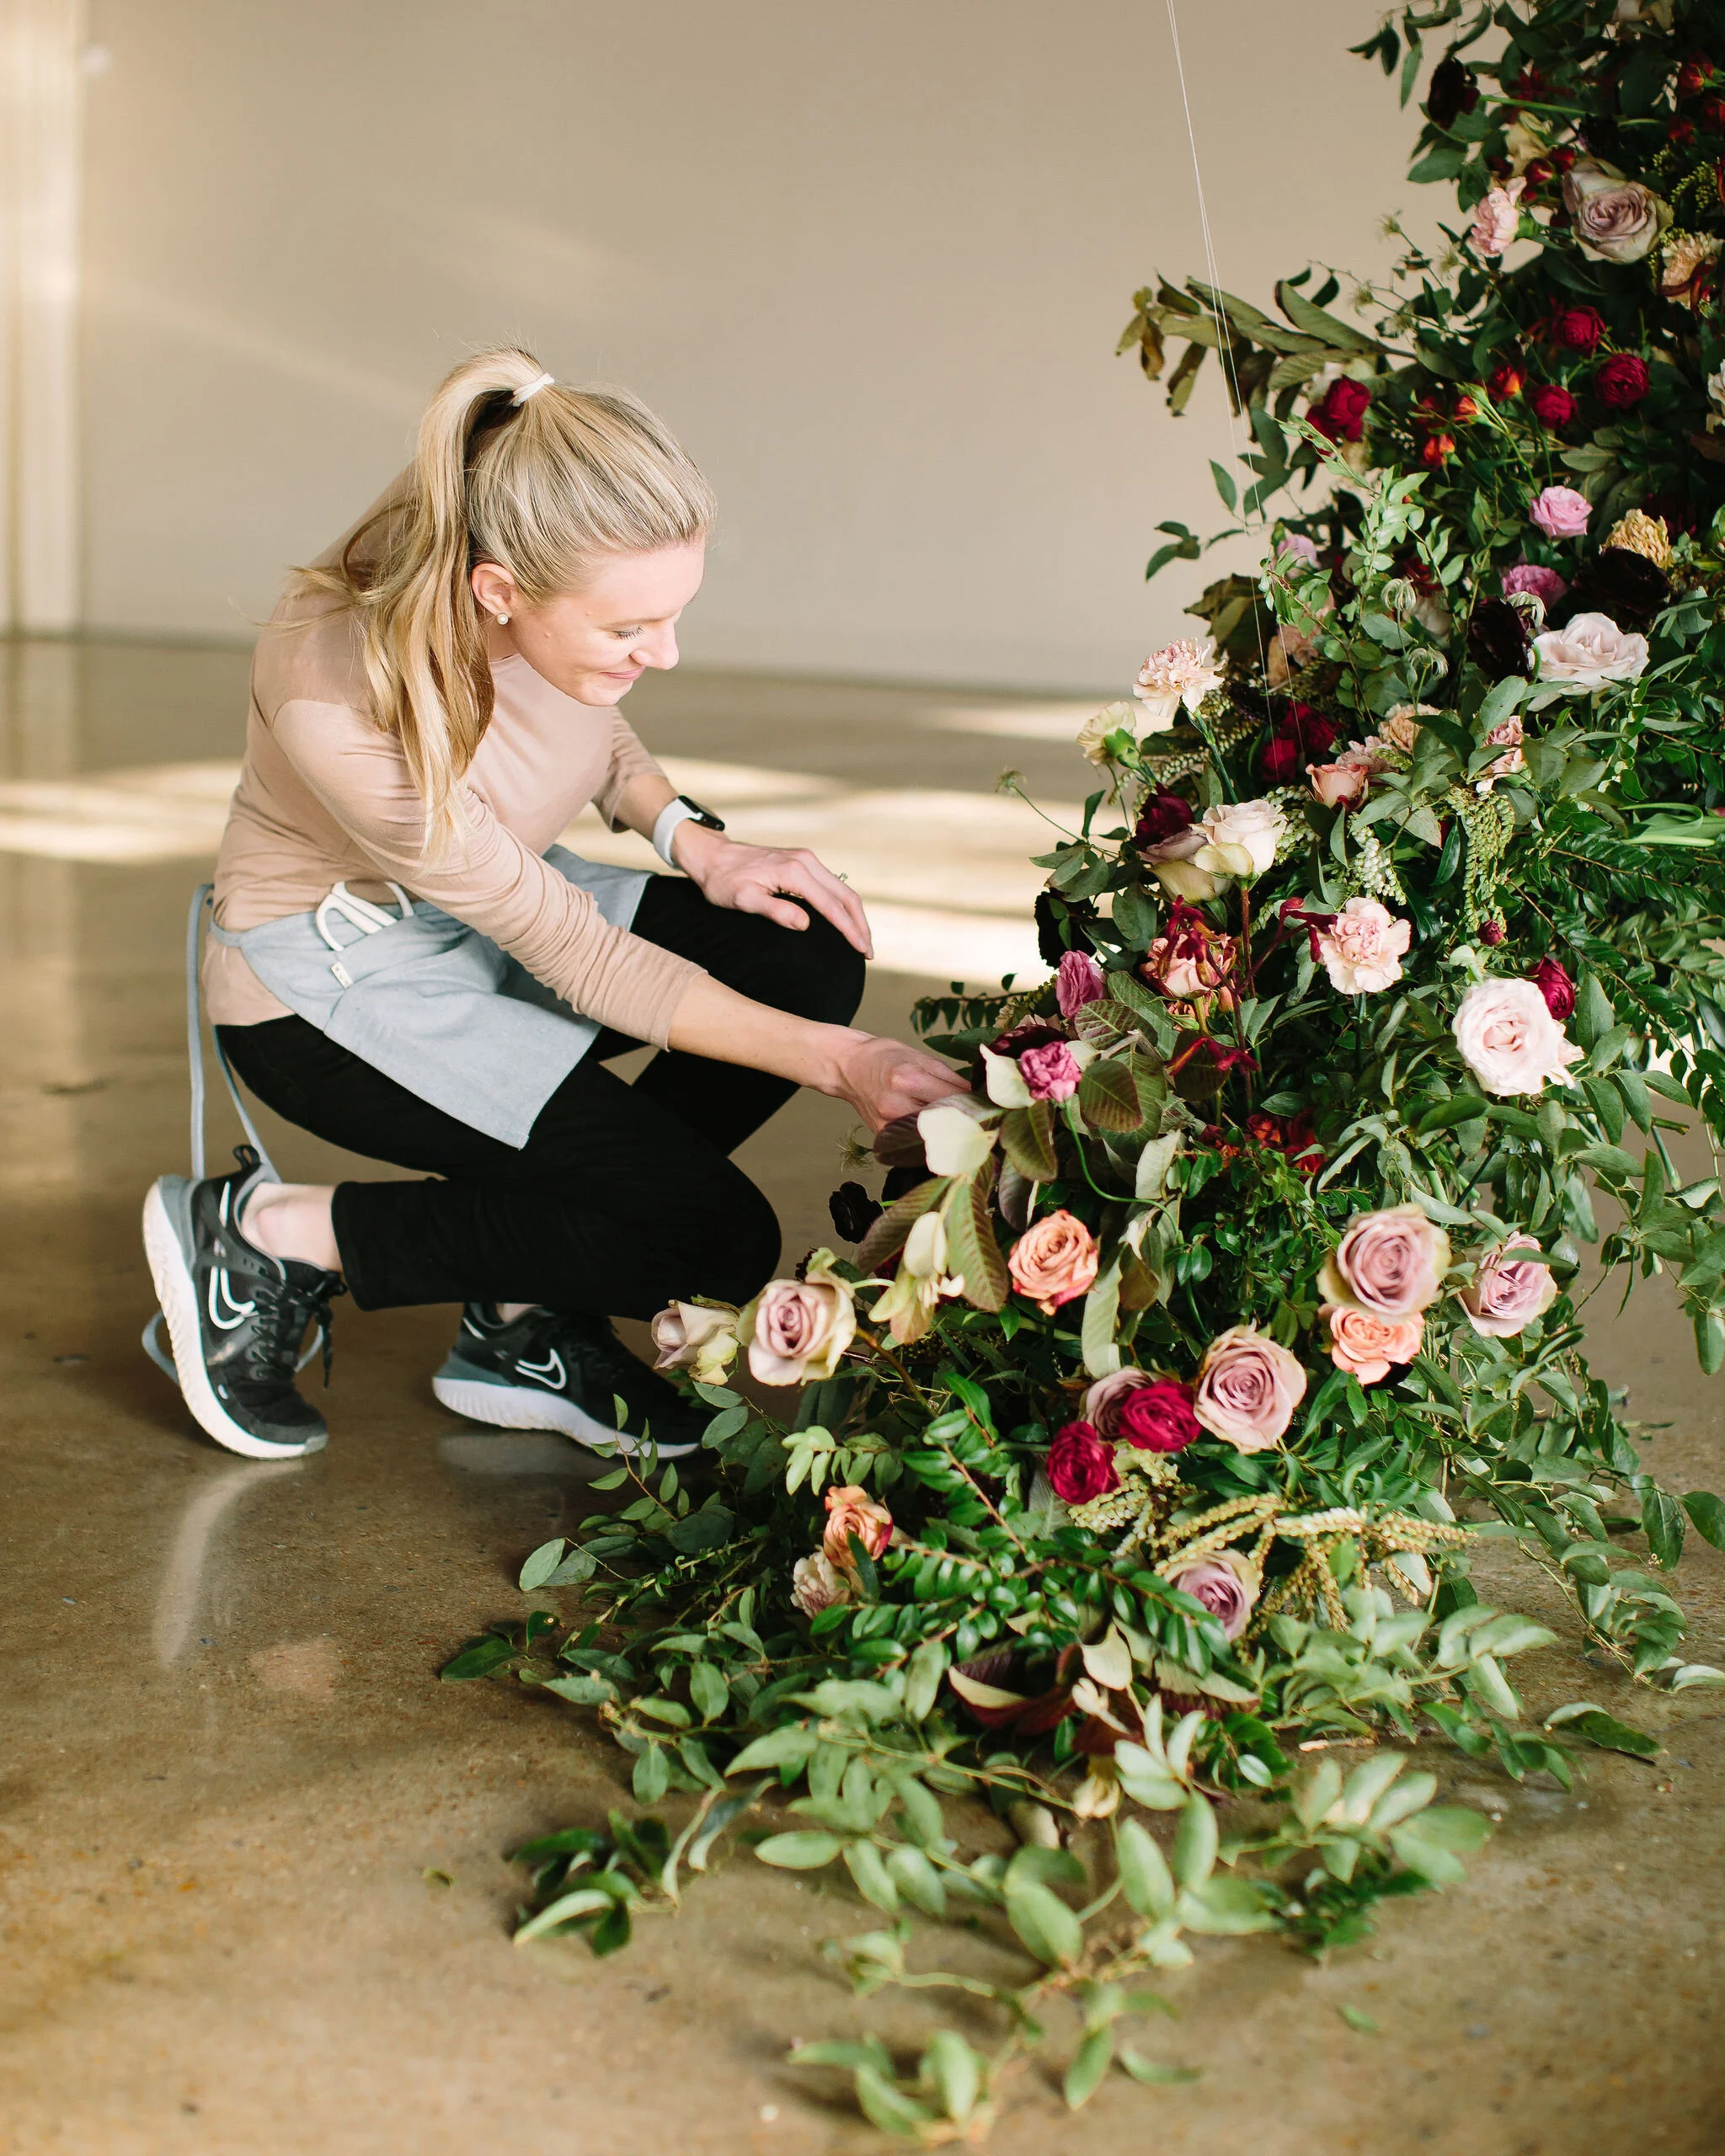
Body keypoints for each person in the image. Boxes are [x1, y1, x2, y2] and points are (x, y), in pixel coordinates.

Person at [142, 348, 965, 1465]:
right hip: (330, 990)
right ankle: (264, 1239)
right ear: (501, 596)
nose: (662, 655)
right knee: (710, 1238)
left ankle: (522, 1310)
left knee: (799, 954)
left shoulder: (517, 569)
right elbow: (584, 959)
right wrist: (845, 1064)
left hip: (488, 905)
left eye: (672, 617)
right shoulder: (334, 683)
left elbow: (587, 715)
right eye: (632, 630)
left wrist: (690, 835)